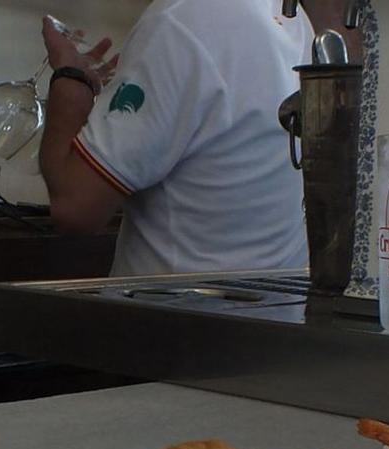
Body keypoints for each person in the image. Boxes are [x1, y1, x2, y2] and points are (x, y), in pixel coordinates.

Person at [39, 0, 315, 277]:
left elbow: (75, 208)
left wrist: (70, 77)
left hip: (177, 313)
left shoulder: (182, 20)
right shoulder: (292, 19)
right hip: (271, 311)